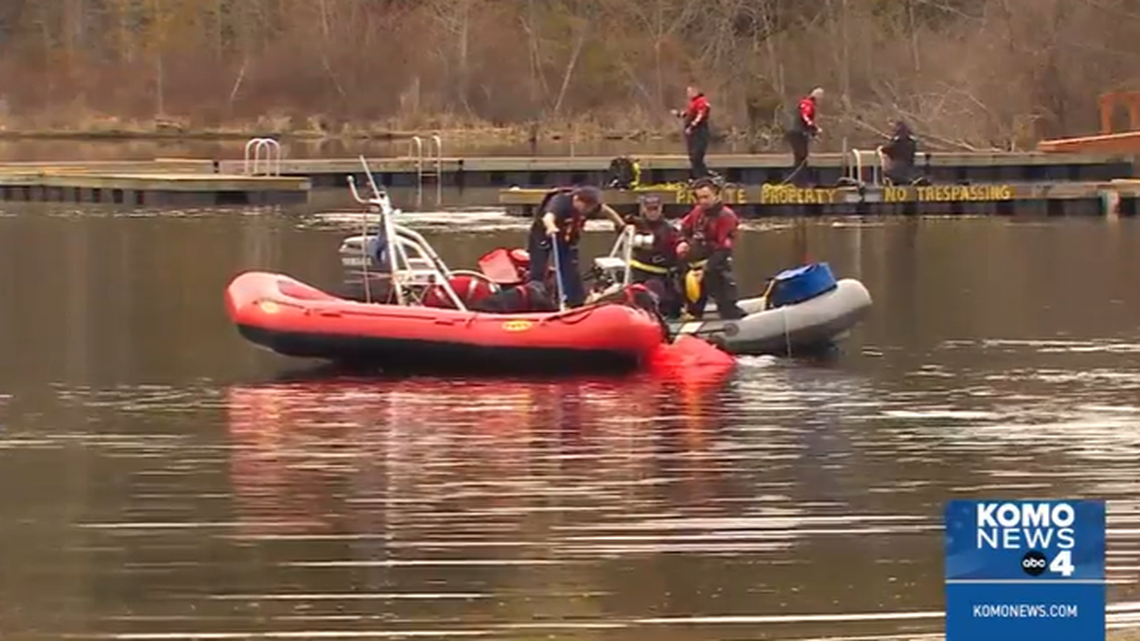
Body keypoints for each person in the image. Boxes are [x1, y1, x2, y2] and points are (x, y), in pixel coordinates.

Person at [527, 185, 628, 308]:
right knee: (538, 268)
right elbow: (548, 217)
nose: (587, 210)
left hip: (567, 237)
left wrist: (622, 225)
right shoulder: (561, 202)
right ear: (576, 199)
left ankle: (575, 301)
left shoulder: (592, 206)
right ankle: (534, 298)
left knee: (570, 269)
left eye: (590, 207)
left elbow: (607, 212)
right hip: (545, 234)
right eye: (585, 206)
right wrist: (551, 227)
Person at [676, 178, 745, 320]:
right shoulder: (697, 212)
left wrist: (705, 270)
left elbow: (723, 249)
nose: (703, 201)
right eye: (699, 198)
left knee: (727, 306)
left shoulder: (726, 216)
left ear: (716, 195)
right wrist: (682, 242)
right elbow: (684, 229)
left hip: (716, 268)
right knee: (693, 305)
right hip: (693, 270)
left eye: (706, 197)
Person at [627, 194, 683, 318]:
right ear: (643, 209)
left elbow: (678, 247)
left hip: (661, 273)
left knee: (672, 302)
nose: (652, 213)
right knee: (645, 294)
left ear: (661, 209)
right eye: (649, 209)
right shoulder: (635, 225)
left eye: (655, 209)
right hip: (640, 272)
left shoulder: (669, 229)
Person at [672, 86, 712, 180]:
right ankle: (697, 176)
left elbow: (700, 116)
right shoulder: (693, 103)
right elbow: (688, 114)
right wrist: (678, 114)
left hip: (699, 132)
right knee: (693, 156)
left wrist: (691, 127)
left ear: (696, 91)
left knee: (696, 156)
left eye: (689, 92)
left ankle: (702, 176)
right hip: (693, 133)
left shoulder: (702, 102)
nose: (688, 94)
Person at [785, 87, 824, 187]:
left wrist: (813, 132)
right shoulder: (807, 104)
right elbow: (805, 117)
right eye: (820, 98)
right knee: (801, 156)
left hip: (799, 132)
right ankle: (799, 182)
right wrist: (814, 128)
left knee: (801, 157)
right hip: (797, 133)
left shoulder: (807, 104)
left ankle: (800, 181)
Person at [879, 118, 921, 186]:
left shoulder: (899, 142)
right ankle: (911, 180)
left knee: (891, 172)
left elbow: (890, 150)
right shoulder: (911, 141)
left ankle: (905, 181)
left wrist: (882, 148)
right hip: (908, 166)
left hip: (897, 167)